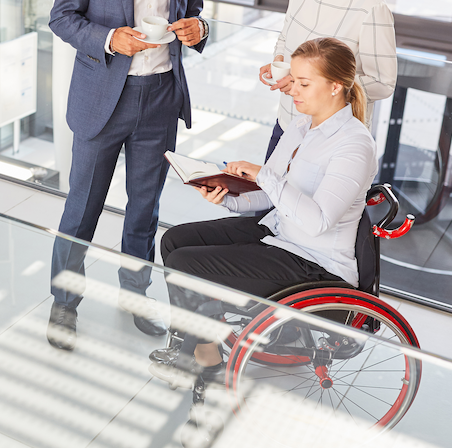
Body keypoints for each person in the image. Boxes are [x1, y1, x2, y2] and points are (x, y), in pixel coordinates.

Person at [46, 0, 209, 352]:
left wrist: (198, 29)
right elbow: (62, 17)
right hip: (103, 100)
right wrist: (109, 38)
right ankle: (64, 303)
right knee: (82, 211)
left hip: (160, 96)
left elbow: (196, 12)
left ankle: (135, 300)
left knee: (144, 212)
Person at [148, 38, 377, 386]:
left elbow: (317, 221)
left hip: (314, 262)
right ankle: (203, 344)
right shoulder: (302, 127)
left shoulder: (354, 144)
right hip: (281, 234)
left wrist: (265, 176)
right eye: (293, 81)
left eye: (303, 84)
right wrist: (227, 197)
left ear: (335, 86)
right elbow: (270, 196)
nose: (292, 91)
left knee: (186, 263)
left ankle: (195, 354)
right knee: (175, 241)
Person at [261, 0, 396, 160]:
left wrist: (319, 86)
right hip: (288, 124)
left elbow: (383, 83)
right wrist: (278, 61)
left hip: (331, 140)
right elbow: (286, 36)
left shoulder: (370, 6)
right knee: (266, 200)